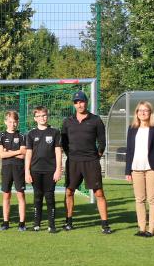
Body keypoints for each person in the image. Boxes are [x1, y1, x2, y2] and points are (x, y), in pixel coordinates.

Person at [61, 90, 110, 234]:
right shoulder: (67, 121)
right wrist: (71, 156)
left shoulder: (96, 120)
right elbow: (64, 143)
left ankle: (105, 225)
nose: (79, 104)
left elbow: (102, 143)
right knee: (69, 191)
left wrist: (96, 157)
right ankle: (69, 222)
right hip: (73, 162)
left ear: (86, 102)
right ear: (73, 104)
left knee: (99, 193)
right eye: (76, 102)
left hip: (91, 162)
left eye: (81, 101)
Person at [125, 101, 154, 238]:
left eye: (146, 110)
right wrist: (127, 171)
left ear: (150, 113)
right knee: (139, 199)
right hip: (136, 169)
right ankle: (142, 228)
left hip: (152, 169)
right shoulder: (132, 129)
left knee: (152, 199)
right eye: (140, 110)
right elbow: (129, 151)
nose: (142, 113)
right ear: (136, 113)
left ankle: (151, 229)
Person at [25, 106, 62, 233]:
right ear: (35, 118)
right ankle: (37, 224)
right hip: (35, 170)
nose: (42, 118)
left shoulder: (55, 132)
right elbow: (28, 154)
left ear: (47, 116)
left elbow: (58, 152)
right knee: (37, 197)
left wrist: (58, 169)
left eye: (44, 115)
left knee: (50, 197)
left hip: (50, 170)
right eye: (39, 116)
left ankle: (52, 225)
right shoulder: (31, 134)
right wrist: (27, 171)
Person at [0, 111, 28, 231]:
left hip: (19, 169)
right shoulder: (1, 136)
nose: (12, 124)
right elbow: (1, 155)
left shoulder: (22, 136)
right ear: (6, 122)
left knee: (20, 195)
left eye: (15, 122)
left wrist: (8, 152)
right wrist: (16, 152)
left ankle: (22, 222)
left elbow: (23, 154)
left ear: (17, 122)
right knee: (6, 195)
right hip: (6, 169)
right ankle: (6, 222)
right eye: (10, 121)